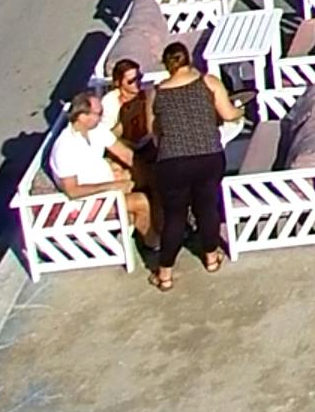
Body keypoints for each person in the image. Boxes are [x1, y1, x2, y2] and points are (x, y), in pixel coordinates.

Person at [141, 40, 243, 289]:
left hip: (173, 162)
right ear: (189, 60)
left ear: (167, 66)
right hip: (207, 155)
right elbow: (228, 114)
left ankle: (164, 273)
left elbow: (151, 130)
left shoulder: (156, 93)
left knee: (174, 216)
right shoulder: (209, 83)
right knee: (206, 207)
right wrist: (240, 110)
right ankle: (210, 258)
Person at [43, 93, 131, 220]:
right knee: (141, 202)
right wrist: (111, 186)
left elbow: (124, 153)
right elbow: (72, 191)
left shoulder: (96, 130)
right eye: (98, 114)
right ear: (82, 117)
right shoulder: (65, 148)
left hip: (107, 188)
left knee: (143, 181)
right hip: (86, 204)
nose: (101, 117)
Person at [106, 57, 157, 245]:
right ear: (118, 83)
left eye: (139, 77)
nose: (137, 83)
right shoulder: (110, 105)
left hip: (143, 146)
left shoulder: (144, 95)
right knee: (153, 177)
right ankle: (156, 234)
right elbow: (108, 140)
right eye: (131, 81)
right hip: (122, 152)